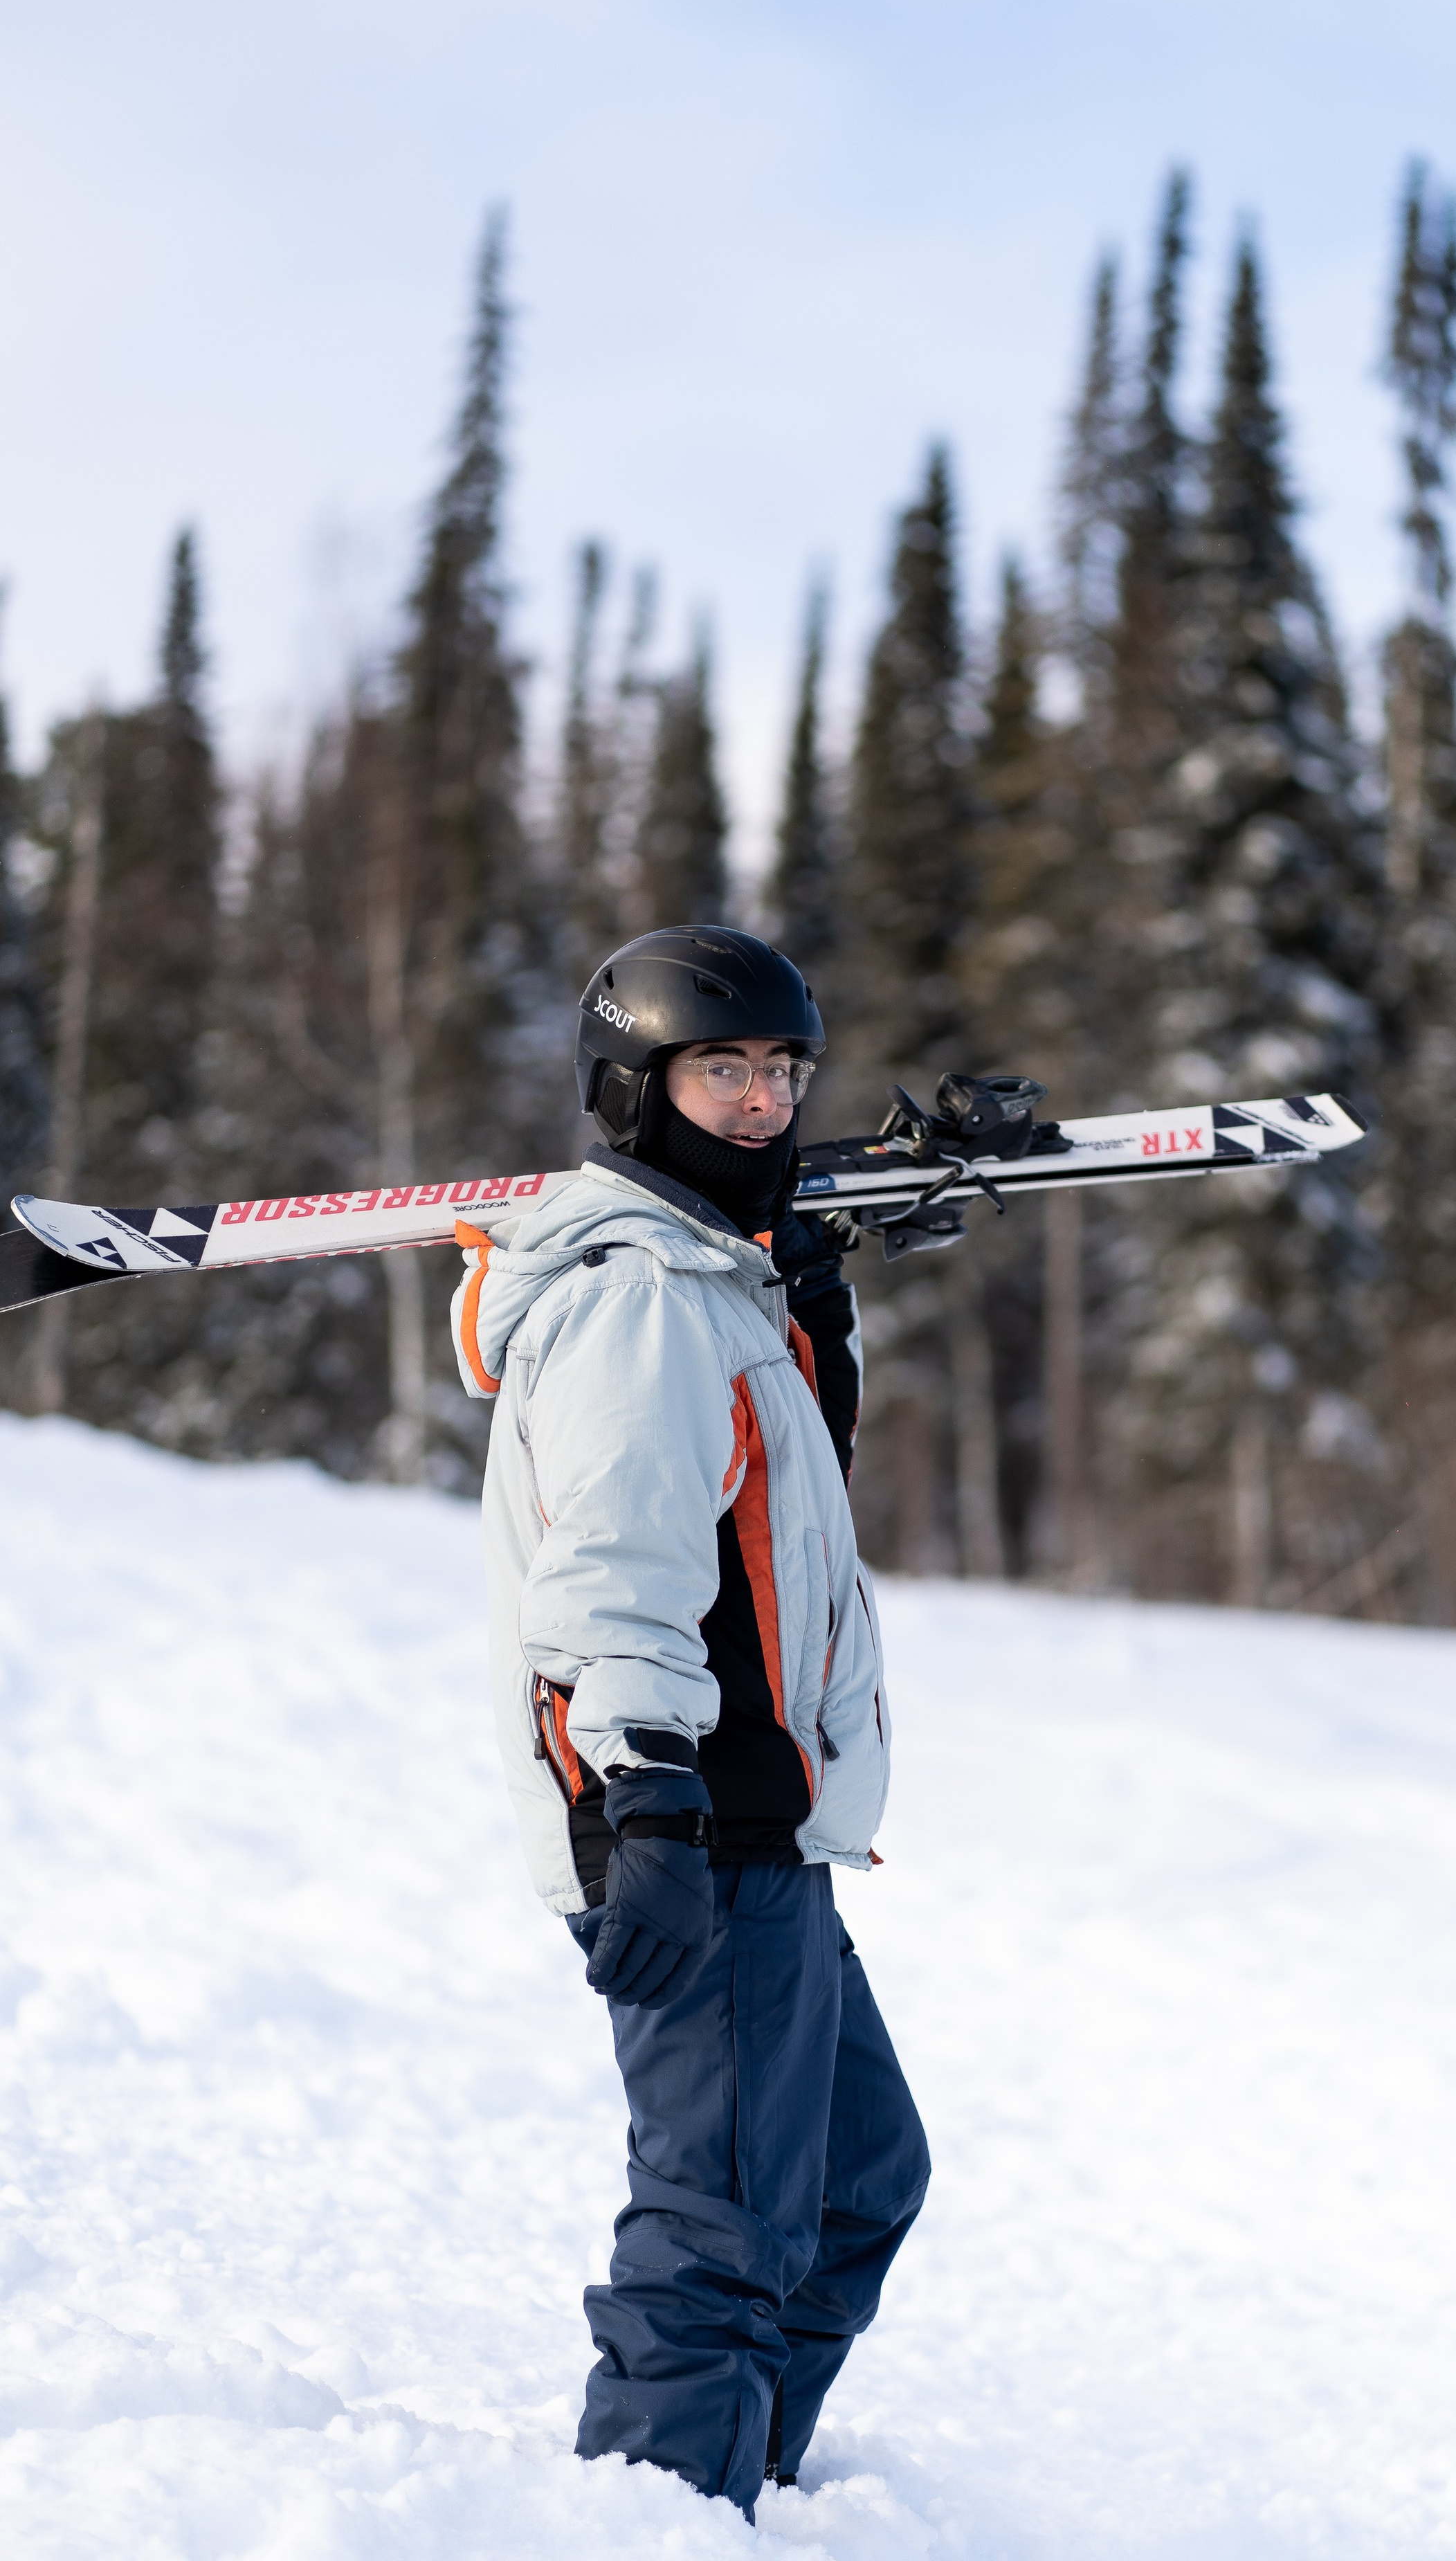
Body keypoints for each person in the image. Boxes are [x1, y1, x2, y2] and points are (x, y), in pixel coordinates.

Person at [448, 923, 929, 2517]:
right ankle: (662, 2510)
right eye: (721, 1068)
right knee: (720, 2230)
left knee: (858, 2181)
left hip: (759, 1816)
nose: (760, 1100)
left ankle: (745, 2487)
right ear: (634, 1087)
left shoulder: (719, 1284)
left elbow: (764, 1528)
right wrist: (639, 1801)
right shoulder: (642, 1299)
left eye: (781, 1070)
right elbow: (614, 1572)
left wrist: (813, 1320)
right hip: (691, 1817)